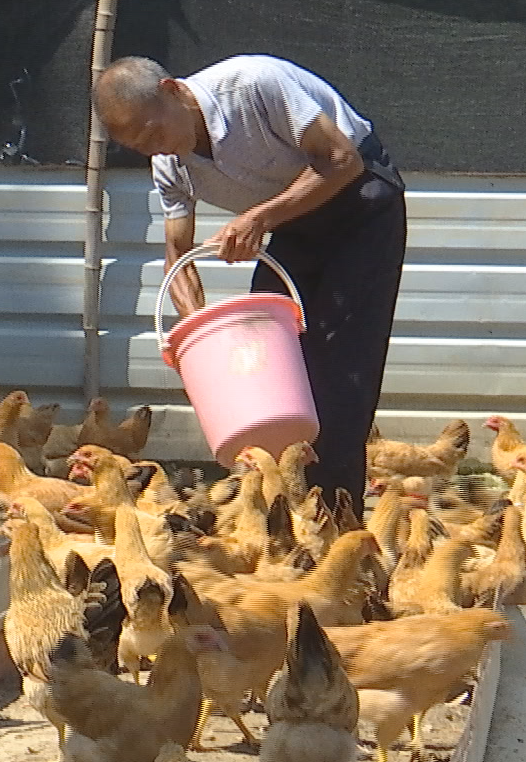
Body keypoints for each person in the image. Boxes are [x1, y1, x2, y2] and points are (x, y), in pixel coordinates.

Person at [93, 54, 407, 513]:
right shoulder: (170, 166)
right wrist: (198, 337)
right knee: (269, 364)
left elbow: (343, 160)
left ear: (173, 90)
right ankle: (283, 514)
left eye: (154, 133)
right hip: (293, 223)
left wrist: (259, 218)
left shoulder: (254, 85)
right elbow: (178, 259)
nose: (155, 150)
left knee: (342, 377)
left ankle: (338, 526)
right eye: (139, 147)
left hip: (361, 203)